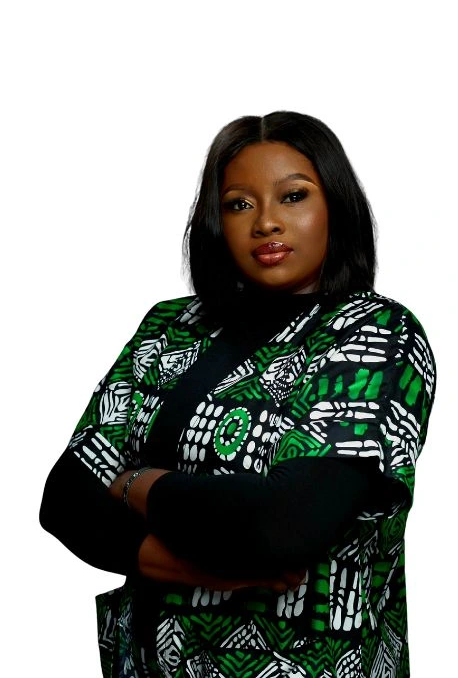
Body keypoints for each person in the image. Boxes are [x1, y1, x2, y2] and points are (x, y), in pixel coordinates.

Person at [40, 110, 436, 678]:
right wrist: (186, 565)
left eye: (293, 196)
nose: (266, 223)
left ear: (336, 206)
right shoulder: (171, 328)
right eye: (239, 204)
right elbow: (65, 499)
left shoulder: (375, 334)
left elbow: (283, 526)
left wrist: (133, 483)